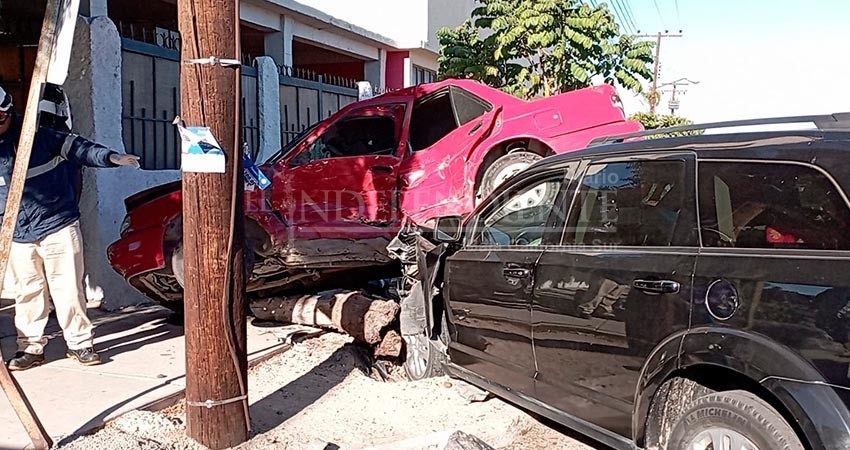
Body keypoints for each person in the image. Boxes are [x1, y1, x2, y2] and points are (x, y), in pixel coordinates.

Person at [0, 85, 140, 371]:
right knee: (27, 292)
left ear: (8, 112)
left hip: (57, 224)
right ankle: (30, 348)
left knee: (67, 287)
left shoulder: (37, 137)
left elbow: (79, 148)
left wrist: (112, 158)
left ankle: (79, 343)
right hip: (15, 232)